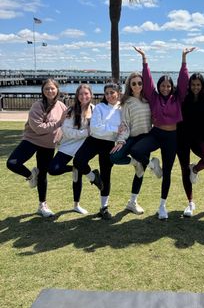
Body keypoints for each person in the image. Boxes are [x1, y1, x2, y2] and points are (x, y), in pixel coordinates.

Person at [130, 46, 195, 220]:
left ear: (171, 87)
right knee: (136, 150)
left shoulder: (178, 98)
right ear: (158, 87)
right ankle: (152, 165)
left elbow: (183, 81)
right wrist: (144, 59)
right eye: (162, 86)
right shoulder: (154, 97)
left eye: (168, 86)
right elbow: (147, 79)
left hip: (171, 138)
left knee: (167, 172)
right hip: (156, 133)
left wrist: (183, 60)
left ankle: (162, 206)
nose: (165, 88)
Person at [6, 79, 67, 217]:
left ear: (57, 89)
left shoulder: (62, 106)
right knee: (12, 163)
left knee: (43, 175)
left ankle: (42, 205)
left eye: (52, 88)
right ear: (42, 91)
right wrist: (58, 123)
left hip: (48, 144)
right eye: (47, 89)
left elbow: (66, 125)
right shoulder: (37, 106)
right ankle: (31, 175)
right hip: (31, 140)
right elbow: (38, 128)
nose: (50, 91)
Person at [73, 82, 128, 220]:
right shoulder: (99, 107)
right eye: (107, 93)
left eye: (112, 92)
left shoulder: (123, 110)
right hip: (93, 141)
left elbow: (125, 128)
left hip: (109, 144)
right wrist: (114, 129)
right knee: (78, 161)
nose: (109, 95)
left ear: (118, 93)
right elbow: (96, 128)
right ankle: (93, 177)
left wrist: (117, 135)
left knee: (106, 175)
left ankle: (104, 208)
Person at [110, 72, 160, 215]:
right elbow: (125, 123)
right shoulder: (126, 102)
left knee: (140, 173)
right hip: (131, 137)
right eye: (134, 83)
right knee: (114, 157)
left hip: (146, 138)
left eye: (140, 83)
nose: (137, 85)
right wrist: (120, 140)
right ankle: (146, 164)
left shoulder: (148, 100)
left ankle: (133, 202)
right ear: (129, 86)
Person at [48, 84, 95, 214]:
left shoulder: (95, 109)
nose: (83, 96)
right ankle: (73, 169)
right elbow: (67, 131)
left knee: (78, 175)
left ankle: (76, 205)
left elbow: (97, 129)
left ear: (91, 95)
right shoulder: (71, 110)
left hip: (83, 147)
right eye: (81, 94)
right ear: (77, 96)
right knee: (53, 169)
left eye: (86, 93)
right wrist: (86, 132)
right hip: (68, 145)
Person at [177, 72, 204, 217]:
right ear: (189, 85)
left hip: (199, 139)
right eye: (193, 84)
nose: (195, 87)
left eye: (198, 85)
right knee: (183, 169)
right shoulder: (183, 99)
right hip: (182, 138)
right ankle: (190, 203)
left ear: (202, 85)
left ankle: (194, 169)